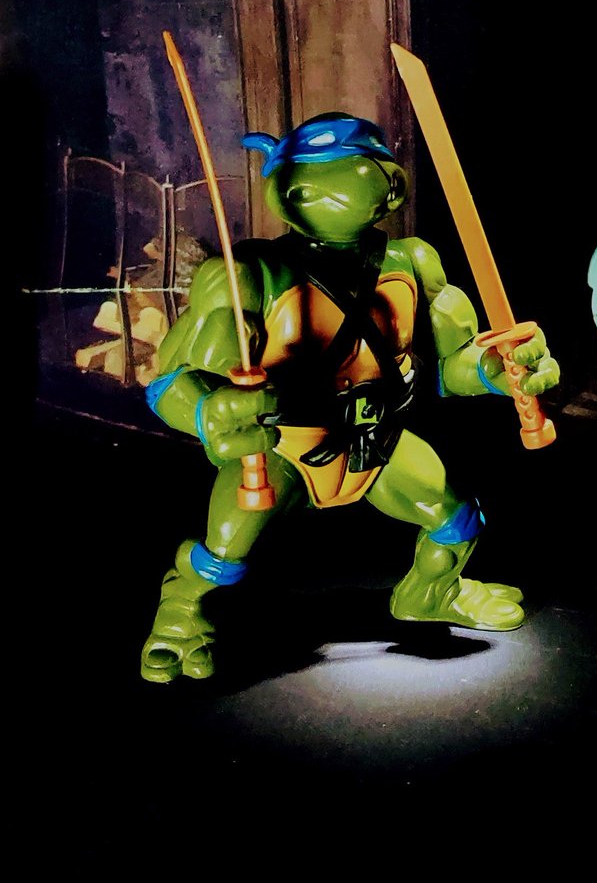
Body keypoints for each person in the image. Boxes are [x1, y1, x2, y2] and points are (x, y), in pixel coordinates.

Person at [140, 111, 559, 683]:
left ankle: (429, 593)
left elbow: (445, 368)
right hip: (285, 447)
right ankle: (180, 614)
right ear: (288, 191)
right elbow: (171, 381)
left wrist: (497, 369)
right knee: (225, 549)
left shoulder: (412, 264)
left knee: (456, 518)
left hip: (378, 441)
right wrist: (209, 411)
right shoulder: (250, 277)